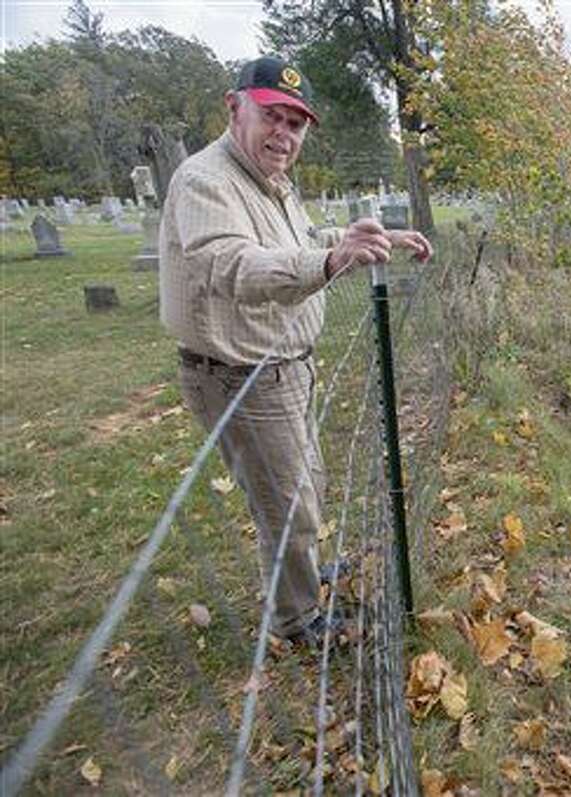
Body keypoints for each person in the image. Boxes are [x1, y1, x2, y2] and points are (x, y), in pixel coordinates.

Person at [159, 56, 431, 646]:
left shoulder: (271, 184)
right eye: (271, 117)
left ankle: (303, 573)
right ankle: (297, 618)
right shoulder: (207, 181)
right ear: (235, 108)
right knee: (288, 506)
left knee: (306, 483)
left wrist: (372, 239)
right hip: (241, 376)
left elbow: (303, 241)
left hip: (284, 369)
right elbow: (229, 263)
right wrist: (330, 262)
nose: (283, 134)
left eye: (296, 123)